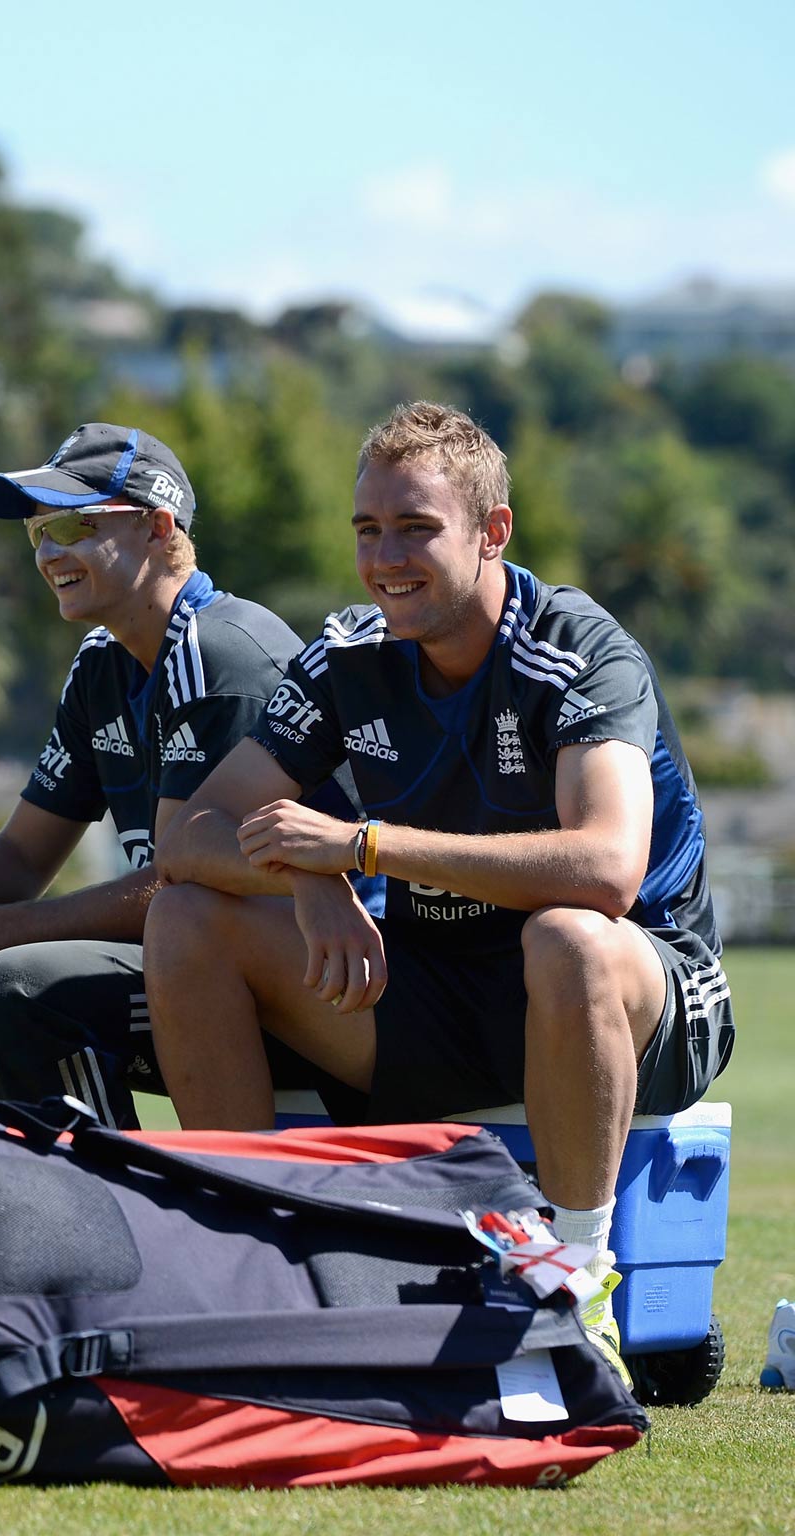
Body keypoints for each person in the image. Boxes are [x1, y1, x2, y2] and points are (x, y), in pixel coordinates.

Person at [148, 401, 734, 1375]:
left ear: (489, 531)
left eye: (414, 528)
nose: (384, 558)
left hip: (633, 996)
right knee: (185, 918)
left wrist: (362, 848)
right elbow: (194, 836)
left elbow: (605, 870)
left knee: (565, 938)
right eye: (366, 531)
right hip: (439, 995)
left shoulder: (574, 645)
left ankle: (570, 1289)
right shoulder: (349, 651)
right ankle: (253, 1271)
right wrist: (312, 880)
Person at [0, 423, 371, 1154]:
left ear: (161, 528)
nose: (47, 553)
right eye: (38, 532)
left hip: (303, 985)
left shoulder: (221, 653)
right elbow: (19, 858)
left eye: (73, 525)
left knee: (22, 989)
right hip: (185, 961)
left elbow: (177, 884)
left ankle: (111, 1237)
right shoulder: (104, 661)